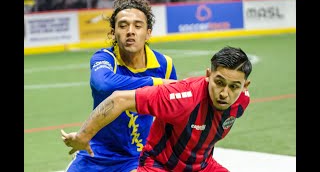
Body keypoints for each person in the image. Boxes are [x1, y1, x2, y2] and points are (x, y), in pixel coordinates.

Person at [61, 46, 252, 171]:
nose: (224, 93)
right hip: (160, 166)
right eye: (219, 82)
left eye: (234, 86)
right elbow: (119, 99)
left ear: (245, 86)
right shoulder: (182, 97)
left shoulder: (242, 101)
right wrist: (83, 136)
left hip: (201, 166)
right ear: (208, 75)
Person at [64, 0, 177, 172]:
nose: (130, 31)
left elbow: (173, 111)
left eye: (137, 26)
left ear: (148, 33)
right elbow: (103, 83)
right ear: (113, 33)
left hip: (138, 157)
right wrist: (155, 82)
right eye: (123, 26)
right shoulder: (105, 58)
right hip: (96, 153)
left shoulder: (165, 65)